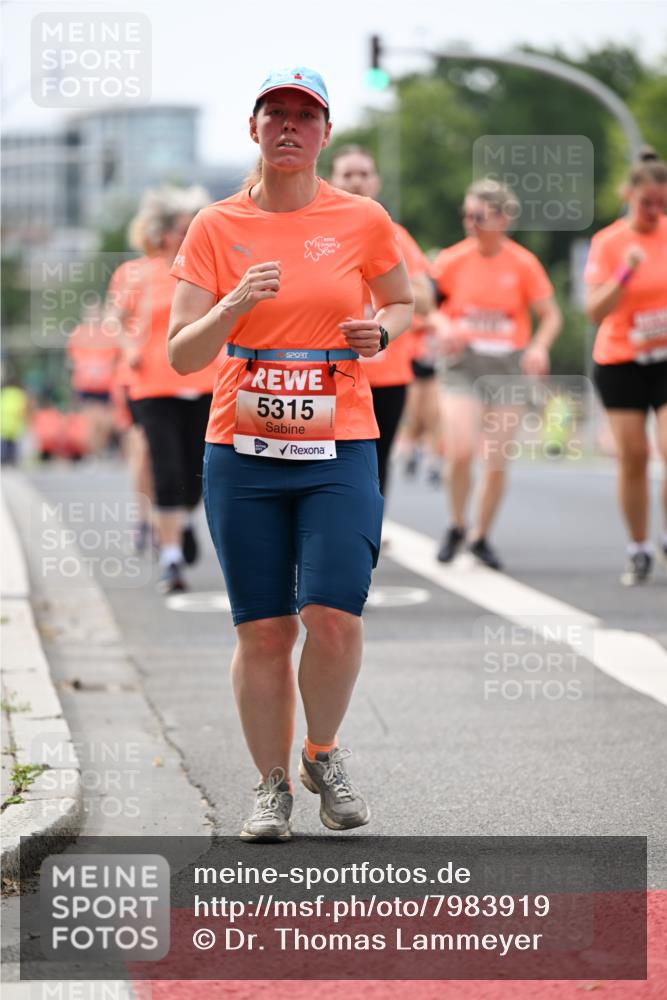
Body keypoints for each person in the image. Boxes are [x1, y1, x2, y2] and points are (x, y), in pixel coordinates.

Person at [168, 67, 413, 841]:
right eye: (274, 114)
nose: (288, 127)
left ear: (324, 135)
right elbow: (179, 354)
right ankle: (269, 786)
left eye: (304, 117)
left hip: (339, 439)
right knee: (264, 629)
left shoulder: (362, 218)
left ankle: (322, 752)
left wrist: (386, 332)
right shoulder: (214, 226)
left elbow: (400, 299)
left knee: (334, 614)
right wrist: (236, 301)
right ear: (253, 129)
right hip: (242, 447)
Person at [431, 178, 562, 570]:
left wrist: (539, 346)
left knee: (497, 458)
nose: (470, 223)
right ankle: (457, 523)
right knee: (460, 451)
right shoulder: (452, 259)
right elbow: (427, 306)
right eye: (466, 215)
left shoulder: (522, 263)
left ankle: (480, 535)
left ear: (503, 219)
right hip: (464, 365)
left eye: (478, 216)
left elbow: (551, 315)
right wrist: (444, 325)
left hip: (508, 368)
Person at [108, 185, 218, 592]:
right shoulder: (137, 273)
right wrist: (130, 346)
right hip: (152, 384)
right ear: (165, 233)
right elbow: (117, 319)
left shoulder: (212, 270)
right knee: (165, 465)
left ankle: (185, 519)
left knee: (199, 468)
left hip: (205, 380)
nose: (192, 236)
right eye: (186, 228)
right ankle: (171, 559)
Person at [329, 145, 434, 498]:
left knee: (377, 458)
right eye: (348, 174)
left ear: (376, 181)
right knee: (325, 460)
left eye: (363, 174)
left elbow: (426, 299)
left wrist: (393, 272)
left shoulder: (395, 235)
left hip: (386, 375)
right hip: (328, 372)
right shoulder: (320, 232)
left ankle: (369, 533)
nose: (356, 182)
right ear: (333, 180)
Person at [585, 148, 667, 585]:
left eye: (662, 204)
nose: (655, 212)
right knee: (634, 457)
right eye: (646, 203)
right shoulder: (610, 242)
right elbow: (595, 311)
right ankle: (638, 546)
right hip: (621, 361)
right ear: (628, 195)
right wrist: (624, 274)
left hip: (665, 360)